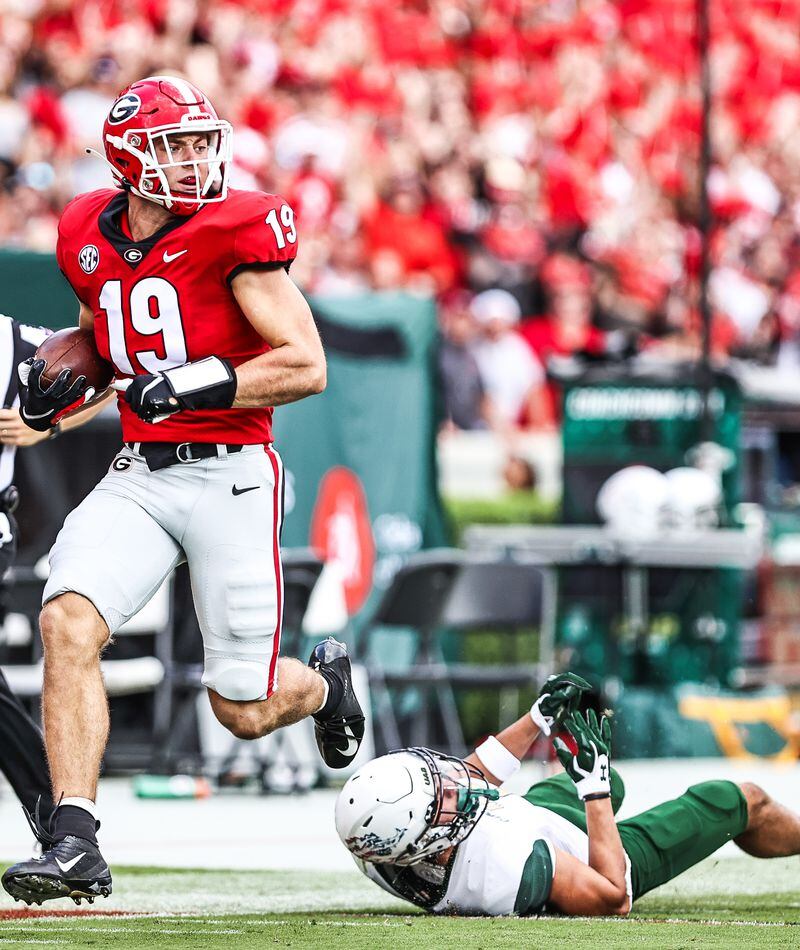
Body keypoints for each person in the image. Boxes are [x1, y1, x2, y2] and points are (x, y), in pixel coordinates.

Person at [2, 75, 365, 907]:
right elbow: (111, 337)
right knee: (66, 620)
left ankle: (322, 685)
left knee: (240, 707)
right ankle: (75, 840)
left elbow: (305, 364)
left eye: (204, 142)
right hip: (141, 469)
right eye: (177, 145)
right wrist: (62, 405)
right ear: (130, 158)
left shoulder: (232, 232)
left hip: (231, 474)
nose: (197, 160)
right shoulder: (85, 231)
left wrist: (201, 384)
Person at [336, 673, 800, 917]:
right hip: (592, 857)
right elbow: (612, 896)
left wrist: (538, 717)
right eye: (446, 800)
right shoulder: (505, 869)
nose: (456, 784)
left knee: (610, 778)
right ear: (429, 847)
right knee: (739, 797)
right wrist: (593, 790)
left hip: (530, 817)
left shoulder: (373, 839)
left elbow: (472, 776)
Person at [0, 315, 110, 831]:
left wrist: (48, 423)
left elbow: (107, 373)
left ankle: (54, 809)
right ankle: (52, 808)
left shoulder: (17, 342)